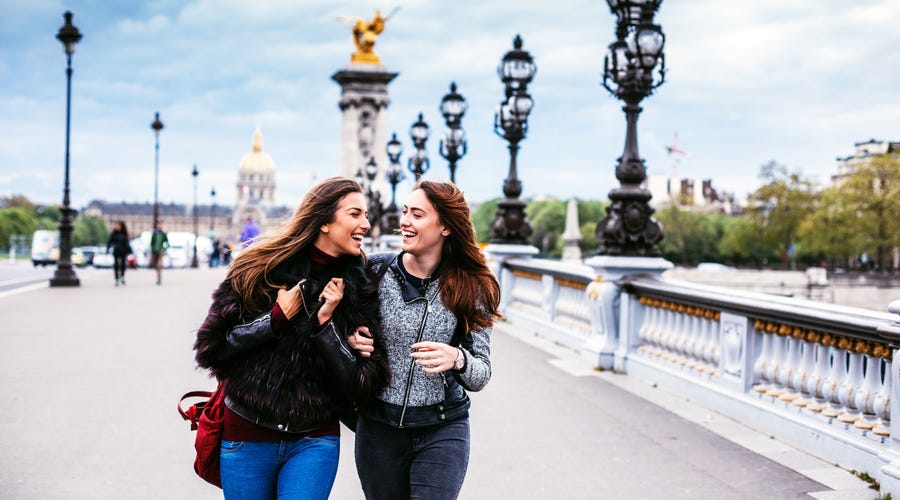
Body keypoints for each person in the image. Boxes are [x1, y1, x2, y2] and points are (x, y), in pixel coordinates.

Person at [193, 177, 389, 499]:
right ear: (324, 220)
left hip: (315, 438)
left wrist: (328, 330)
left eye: (366, 215)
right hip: (247, 432)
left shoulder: (359, 284)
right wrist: (275, 320)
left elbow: (365, 384)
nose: (366, 224)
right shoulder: (258, 268)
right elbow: (211, 349)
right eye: (356, 214)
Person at [348, 181, 501, 499]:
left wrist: (457, 358)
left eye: (417, 214)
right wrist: (351, 337)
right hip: (378, 429)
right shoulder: (374, 270)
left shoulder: (472, 287)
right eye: (405, 212)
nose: (404, 221)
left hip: (442, 428)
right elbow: (337, 324)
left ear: (445, 226)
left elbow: (481, 373)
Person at [106, 220, 132, 286]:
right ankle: (117, 279)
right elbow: (109, 242)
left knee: (123, 264)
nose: (117, 226)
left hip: (123, 251)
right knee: (116, 265)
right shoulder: (114, 234)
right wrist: (107, 250)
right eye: (116, 225)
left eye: (118, 225)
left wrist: (130, 251)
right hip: (116, 250)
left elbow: (127, 243)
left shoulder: (124, 234)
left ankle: (122, 277)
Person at [149, 220, 169, 286]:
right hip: (155, 251)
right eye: (159, 224)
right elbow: (151, 243)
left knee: (159, 264)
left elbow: (167, 243)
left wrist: (164, 249)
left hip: (160, 251)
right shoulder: (154, 233)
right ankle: (158, 275)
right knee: (155, 265)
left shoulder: (163, 234)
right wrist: (152, 250)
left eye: (161, 224)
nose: (160, 226)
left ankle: (159, 278)